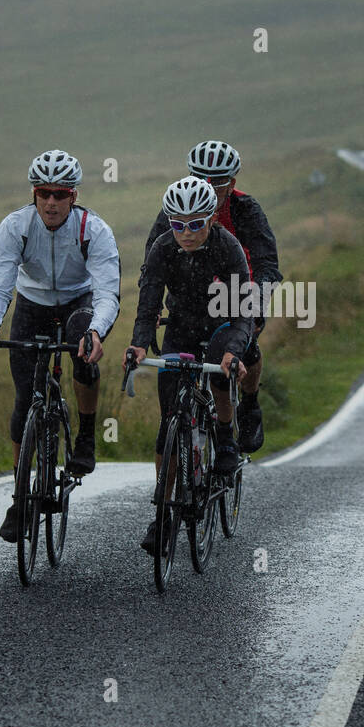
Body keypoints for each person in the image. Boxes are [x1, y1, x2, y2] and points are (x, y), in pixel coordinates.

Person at [0, 149, 121, 542]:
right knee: (25, 400)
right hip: (32, 304)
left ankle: (87, 434)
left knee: (82, 345)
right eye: (44, 193)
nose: (51, 202)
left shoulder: (94, 230)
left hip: (79, 301)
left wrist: (97, 330)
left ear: (73, 196)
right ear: (34, 194)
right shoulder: (15, 227)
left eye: (60, 194)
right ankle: (21, 497)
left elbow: (108, 291)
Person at [128, 177, 252, 555]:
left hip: (222, 324)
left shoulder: (229, 249)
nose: (186, 233)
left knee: (218, 368)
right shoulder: (163, 248)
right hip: (180, 328)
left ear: (211, 218)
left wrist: (234, 351)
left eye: (195, 224)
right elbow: (148, 306)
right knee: (169, 421)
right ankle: (163, 514)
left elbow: (245, 314)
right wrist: (136, 345)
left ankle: (226, 438)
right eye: (177, 224)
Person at [142, 140, 279, 455]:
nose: (208, 186)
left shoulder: (247, 210)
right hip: (189, 299)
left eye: (217, 181)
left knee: (248, 340)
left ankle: (250, 405)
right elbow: (152, 260)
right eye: (200, 176)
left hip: (235, 292)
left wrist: (256, 304)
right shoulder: (177, 209)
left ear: (232, 182)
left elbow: (267, 265)